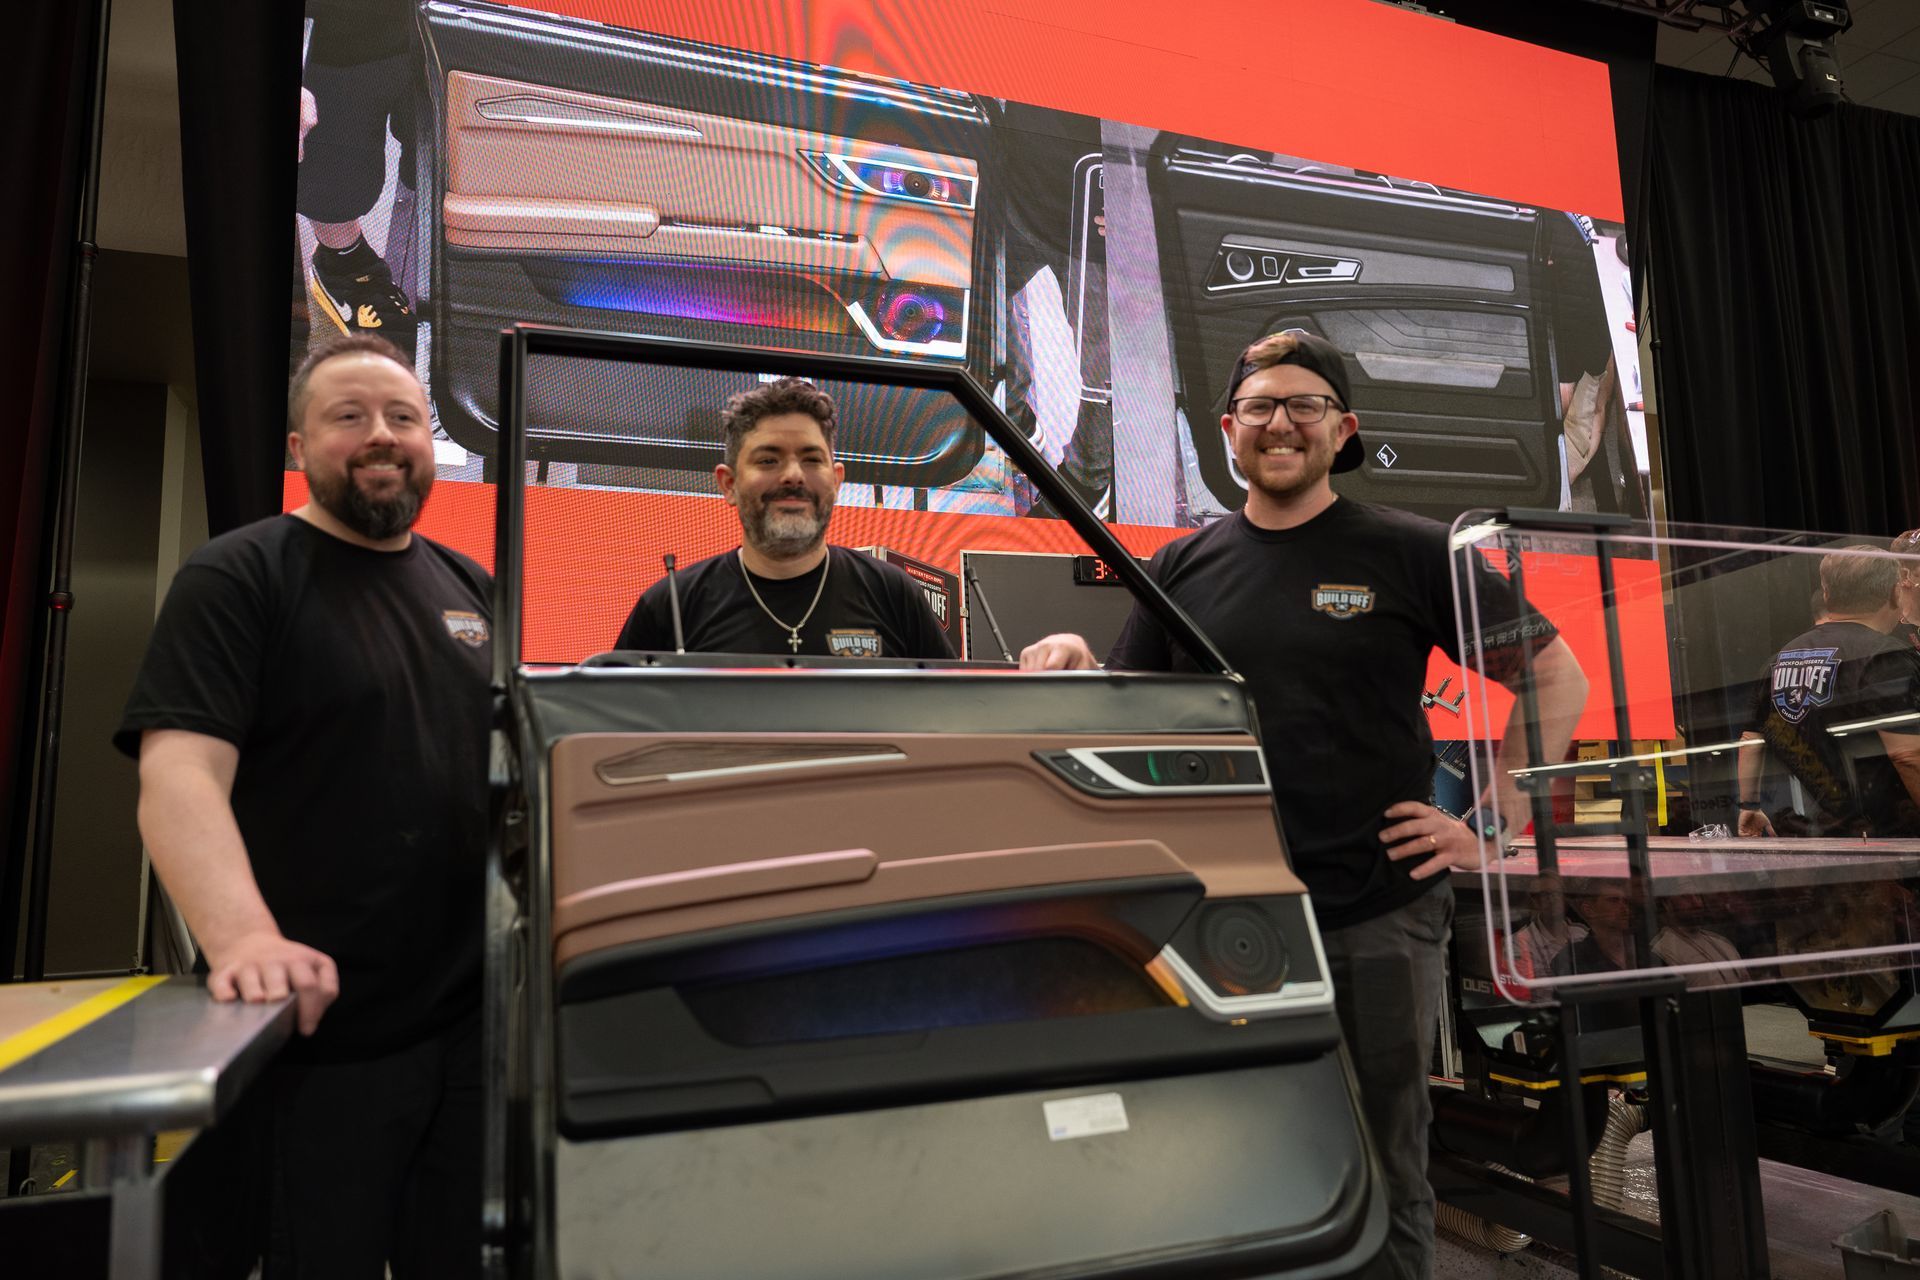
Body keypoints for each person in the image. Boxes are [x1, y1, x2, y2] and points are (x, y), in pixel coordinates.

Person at [1020, 330, 1589, 1280]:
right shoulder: (1185, 567)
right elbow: (1129, 716)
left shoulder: (1411, 552)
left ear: (1344, 430)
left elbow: (1552, 672)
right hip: (1228, 917)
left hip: (1375, 908)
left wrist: (1489, 823)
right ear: (1228, 431)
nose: (1280, 422)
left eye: (1305, 406)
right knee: (1243, 1153)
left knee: (1382, 1161)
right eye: (1260, 407)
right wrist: (1076, 662)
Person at [118, 334, 488, 1276]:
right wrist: (244, 940)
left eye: (402, 417)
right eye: (348, 417)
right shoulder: (240, 576)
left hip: (467, 1035)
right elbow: (178, 777)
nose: (380, 437)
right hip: (318, 1040)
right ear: (298, 446)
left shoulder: (471, 588)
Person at [614, 377, 952, 658]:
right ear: (728, 484)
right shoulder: (669, 607)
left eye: (811, 459)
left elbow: (953, 721)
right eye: (767, 461)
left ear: (836, 481)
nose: (793, 475)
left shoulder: (893, 595)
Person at [1737, 547, 1920, 839]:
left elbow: (1751, 739)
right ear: (1895, 593)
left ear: (1825, 591)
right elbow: (1908, 756)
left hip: (1832, 832)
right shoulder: (1886, 657)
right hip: (1895, 835)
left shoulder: (1779, 660)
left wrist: (1749, 804)